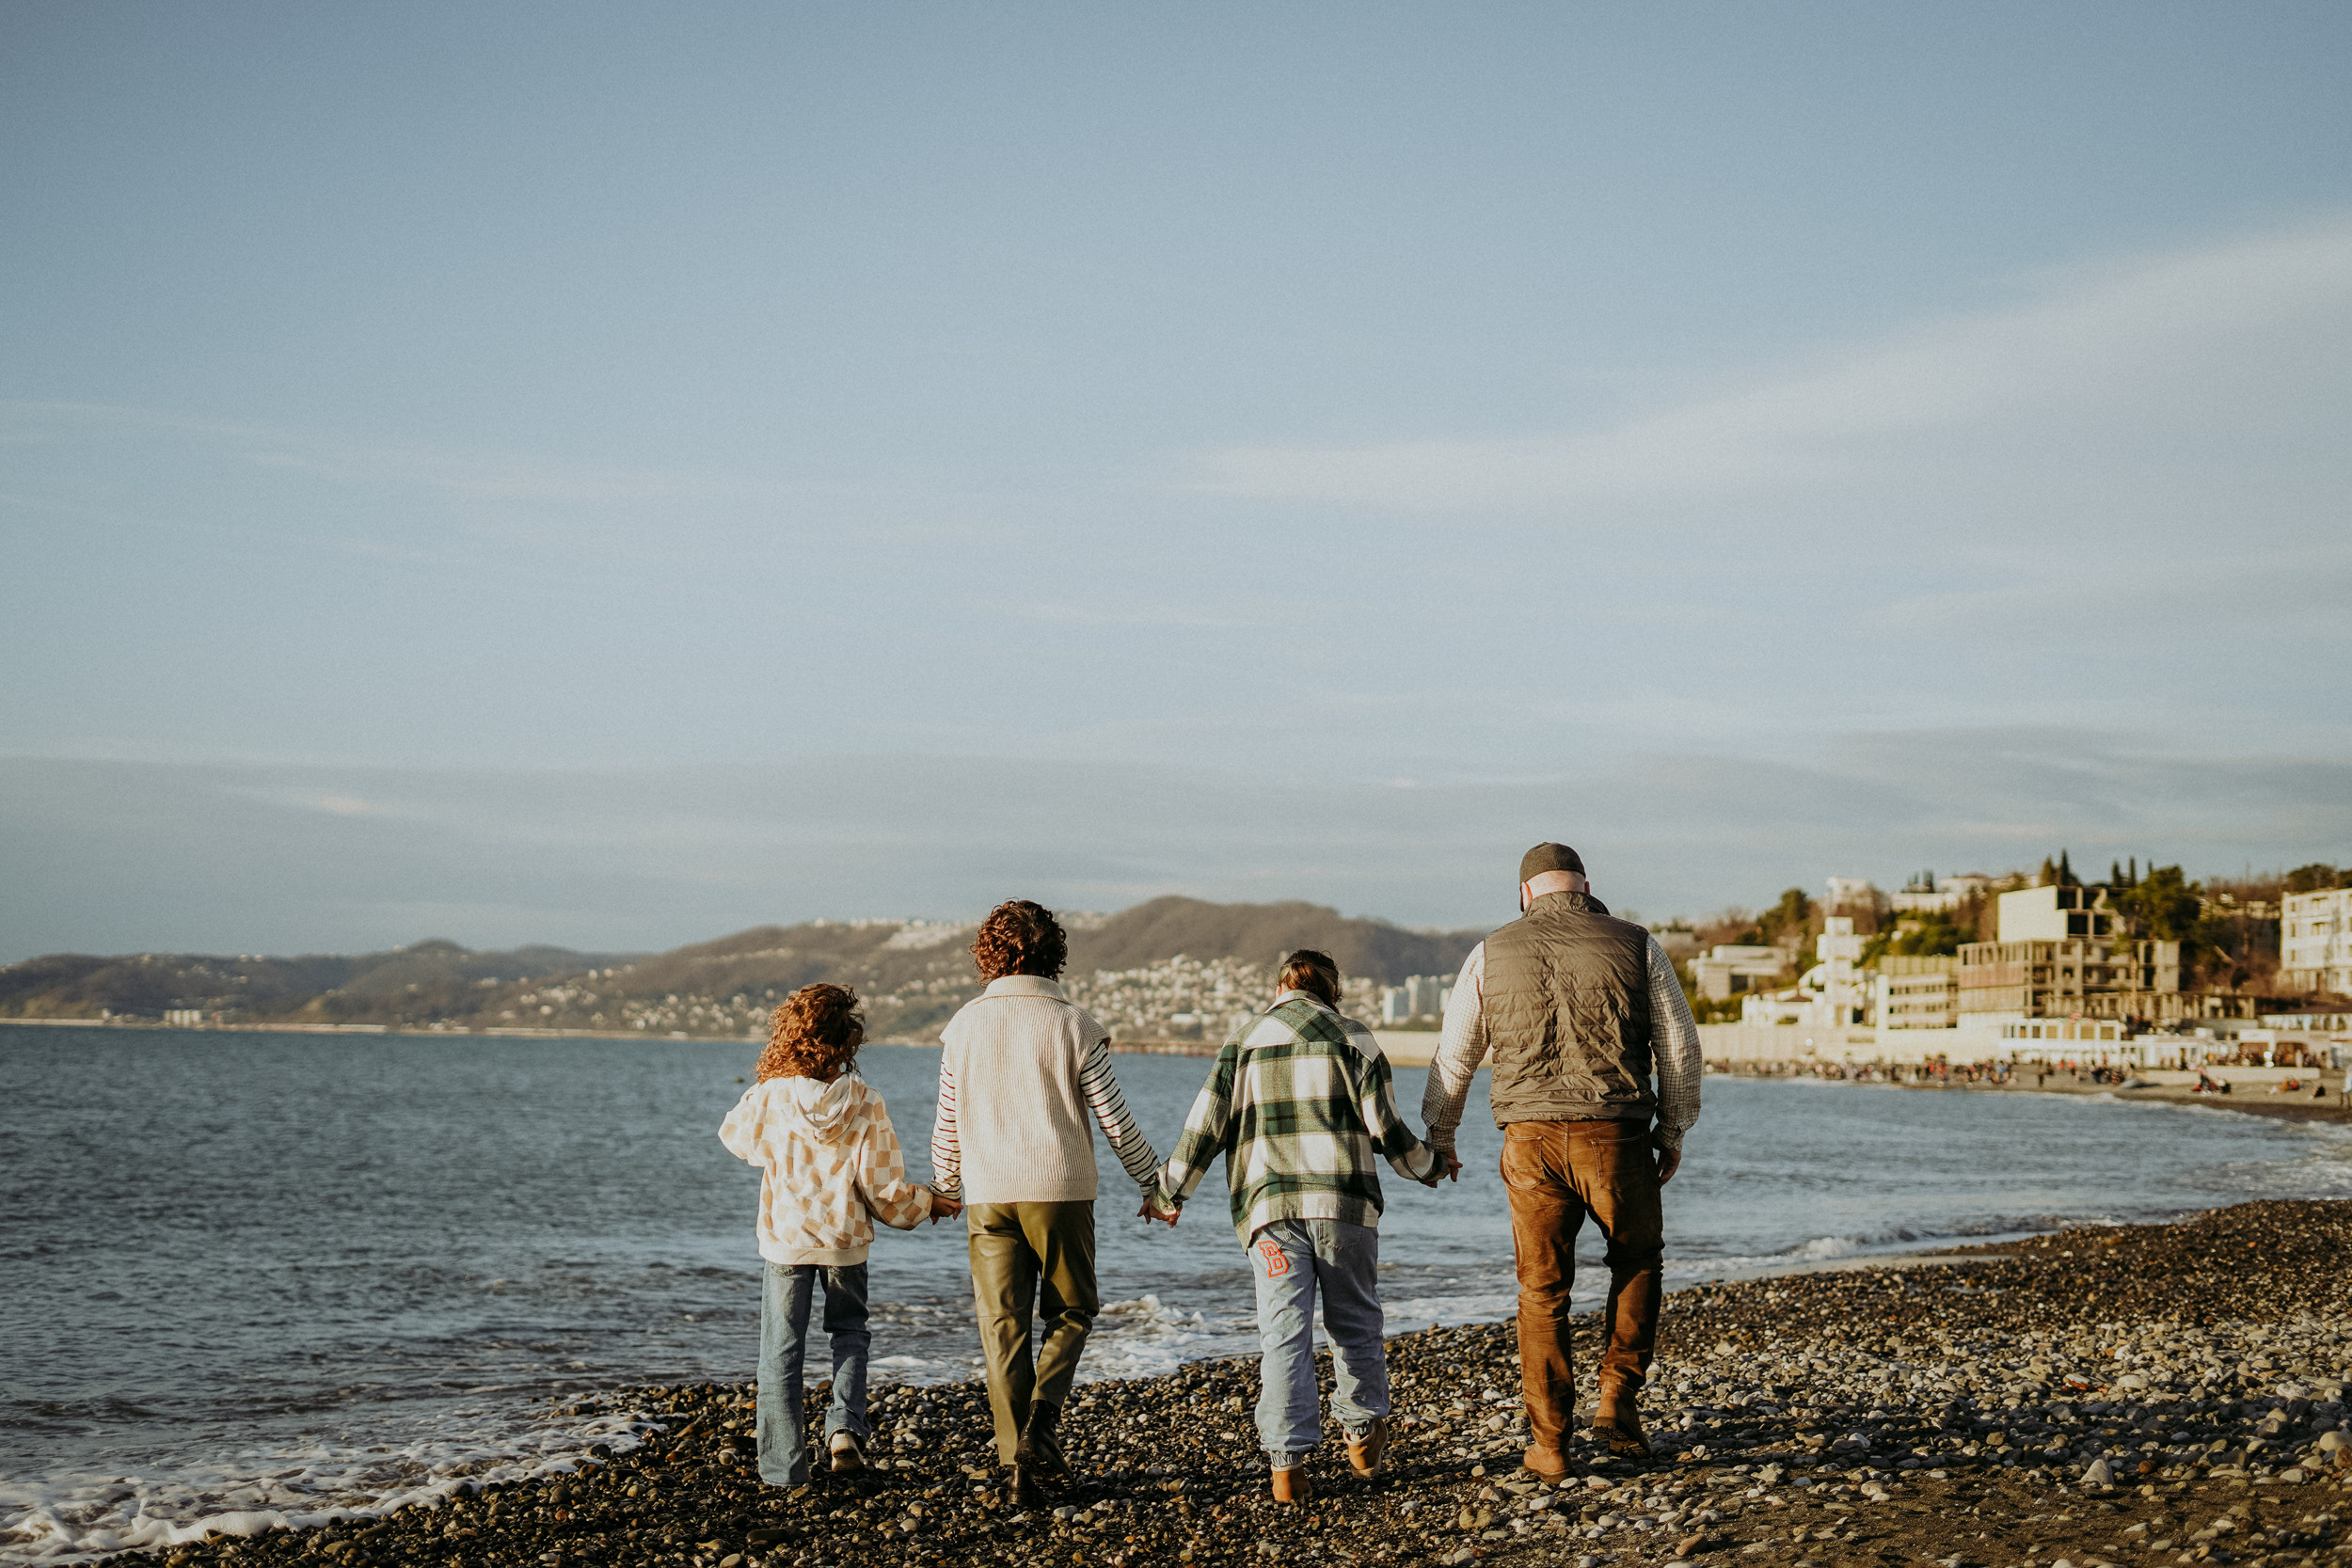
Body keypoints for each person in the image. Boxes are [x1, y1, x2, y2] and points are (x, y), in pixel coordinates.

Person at [1422, 843, 1702, 1481]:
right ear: (1585, 885)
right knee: (1635, 1258)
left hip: (1530, 1140)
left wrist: (1441, 1136)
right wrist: (1674, 1127)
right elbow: (1679, 1043)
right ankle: (1618, 1402)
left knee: (1542, 1289)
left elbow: (1454, 1055)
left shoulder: (1489, 951)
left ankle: (1549, 1442)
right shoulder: (1636, 943)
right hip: (1616, 1134)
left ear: (1525, 894)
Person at [1147, 949, 1443, 1503]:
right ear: (1332, 990)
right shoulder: (1355, 1038)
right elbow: (1387, 1128)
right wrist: (1425, 1167)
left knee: (1284, 1331)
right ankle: (1359, 1429)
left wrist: (1169, 1193)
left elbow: (1203, 1127)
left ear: (1279, 987)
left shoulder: (1243, 1041)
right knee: (1355, 1320)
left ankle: (1286, 1466)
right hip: (1344, 1207)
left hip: (1271, 1212)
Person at [930, 900, 1163, 1507]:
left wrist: (948, 1187)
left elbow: (946, 1123)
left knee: (1002, 1327)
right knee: (1071, 1311)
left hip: (987, 1191)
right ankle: (1044, 1425)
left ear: (989, 953)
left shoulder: (962, 1026)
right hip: (1058, 1189)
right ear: (1053, 952)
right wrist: (1152, 1183)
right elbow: (1113, 1119)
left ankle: (1016, 1466)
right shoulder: (1073, 1023)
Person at [718, 983, 961, 1487]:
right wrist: (928, 1202)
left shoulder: (771, 1095)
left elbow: (736, 1138)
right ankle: (845, 1432)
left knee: (781, 1348)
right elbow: (884, 1189)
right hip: (845, 1241)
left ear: (791, 1038)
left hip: (787, 1239)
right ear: (848, 1043)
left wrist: (776, 1132)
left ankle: (783, 1466)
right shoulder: (866, 1102)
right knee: (849, 1334)